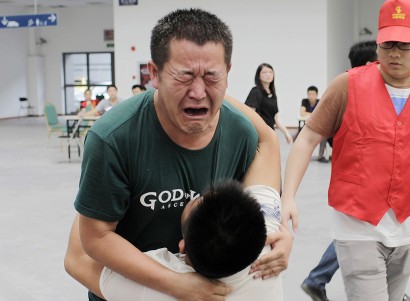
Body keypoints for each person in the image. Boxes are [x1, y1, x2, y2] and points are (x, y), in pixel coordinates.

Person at [64, 8, 292, 301]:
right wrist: (175, 285)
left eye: (211, 76)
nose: (198, 92)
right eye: (184, 76)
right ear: (154, 73)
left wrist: (275, 238)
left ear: (228, 74)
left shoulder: (241, 134)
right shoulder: (114, 139)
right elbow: (92, 241)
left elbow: (249, 208)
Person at [282, 0, 410, 300]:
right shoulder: (347, 85)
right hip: (356, 225)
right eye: (387, 42)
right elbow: (307, 137)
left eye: (405, 44)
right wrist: (287, 197)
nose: (394, 52)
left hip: (405, 224)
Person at [300, 40, 377, 301]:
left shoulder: (364, 92)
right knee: (359, 234)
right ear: (369, 64)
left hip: (367, 178)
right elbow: (317, 135)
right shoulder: (350, 92)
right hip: (360, 179)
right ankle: (316, 279)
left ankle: (317, 279)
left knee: (369, 234)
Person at [245, 63, 293, 144]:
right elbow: (250, 115)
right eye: (264, 72)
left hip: (270, 132)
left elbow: (276, 118)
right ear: (258, 75)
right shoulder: (255, 91)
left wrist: (286, 133)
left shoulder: (272, 93)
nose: (268, 75)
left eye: (270, 72)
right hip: (258, 133)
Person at [300, 86, 330, 163]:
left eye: (313, 94)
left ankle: (321, 155)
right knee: (298, 136)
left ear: (316, 95)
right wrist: (314, 114)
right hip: (307, 126)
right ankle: (302, 155)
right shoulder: (305, 101)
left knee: (324, 136)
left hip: (318, 127)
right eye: (309, 94)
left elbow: (322, 114)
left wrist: (309, 114)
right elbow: (302, 113)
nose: (311, 96)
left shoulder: (320, 101)